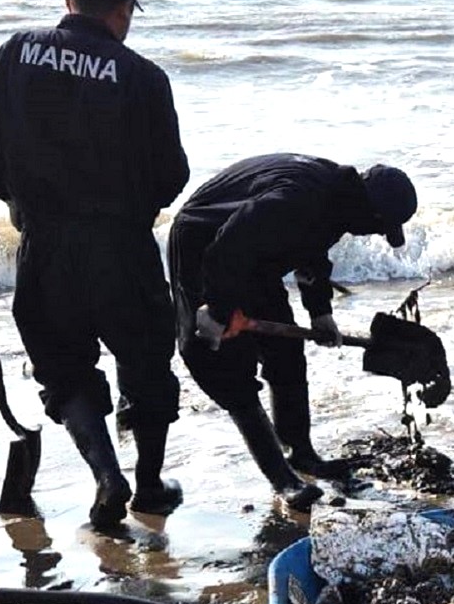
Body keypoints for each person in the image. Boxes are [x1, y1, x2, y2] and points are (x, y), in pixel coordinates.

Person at [0, 0, 190, 528]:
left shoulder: (15, 53)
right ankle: (147, 486)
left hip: (45, 247)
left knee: (65, 368)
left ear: (70, 3)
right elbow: (173, 175)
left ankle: (104, 475)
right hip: (122, 245)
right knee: (145, 363)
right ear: (122, 12)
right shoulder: (144, 77)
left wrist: (25, 205)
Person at [169, 154, 418, 511]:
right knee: (227, 367)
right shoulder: (297, 198)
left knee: (285, 356)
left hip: (254, 257)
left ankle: (300, 453)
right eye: (380, 226)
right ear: (368, 211)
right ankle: (283, 480)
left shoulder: (336, 201)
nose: (377, 233)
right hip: (204, 244)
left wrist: (320, 313)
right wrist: (219, 309)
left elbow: (311, 250)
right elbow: (228, 246)